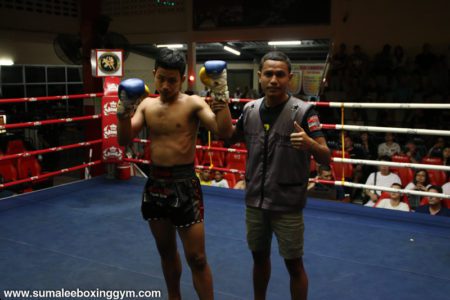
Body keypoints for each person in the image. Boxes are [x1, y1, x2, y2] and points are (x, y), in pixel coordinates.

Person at [116, 48, 233, 300]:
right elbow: (124, 138)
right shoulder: (146, 105)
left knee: (197, 258)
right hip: (156, 183)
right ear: (153, 75)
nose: (166, 85)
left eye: (172, 80)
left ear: (182, 79)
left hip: (184, 183)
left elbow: (224, 132)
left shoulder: (193, 103)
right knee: (166, 252)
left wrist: (221, 94)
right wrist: (123, 112)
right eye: (161, 79)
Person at [217, 51, 331, 300]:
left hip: (287, 204)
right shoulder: (250, 109)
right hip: (255, 201)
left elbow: (326, 157)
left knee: (294, 264)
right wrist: (219, 104)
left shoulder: (303, 111)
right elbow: (227, 136)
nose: (274, 80)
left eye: (280, 74)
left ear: (289, 77)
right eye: (268, 74)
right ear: (260, 77)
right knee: (259, 258)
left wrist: (310, 145)